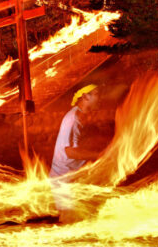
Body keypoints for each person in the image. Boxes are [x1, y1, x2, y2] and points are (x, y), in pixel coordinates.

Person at [49, 84, 102, 223]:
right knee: (70, 224)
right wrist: (100, 155)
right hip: (63, 181)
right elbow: (70, 152)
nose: (100, 98)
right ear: (85, 97)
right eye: (96, 94)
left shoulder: (81, 117)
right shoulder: (73, 119)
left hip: (74, 179)